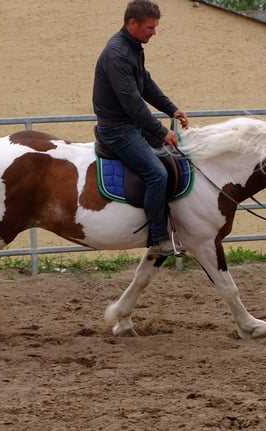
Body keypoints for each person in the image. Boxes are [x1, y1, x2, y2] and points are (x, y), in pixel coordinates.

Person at [93, 0, 189, 257]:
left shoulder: (133, 48)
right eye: (150, 27)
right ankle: (157, 238)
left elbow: (145, 83)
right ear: (132, 23)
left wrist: (172, 108)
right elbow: (133, 103)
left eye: (155, 27)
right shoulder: (117, 54)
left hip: (130, 125)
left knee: (176, 159)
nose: (154, 33)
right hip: (118, 130)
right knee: (157, 174)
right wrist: (162, 131)